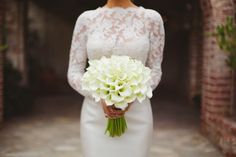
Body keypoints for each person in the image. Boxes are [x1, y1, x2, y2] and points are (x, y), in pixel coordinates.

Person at [67, 0, 165, 156]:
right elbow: (74, 72)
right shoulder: (86, 19)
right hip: (96, 114)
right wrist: (100, 96)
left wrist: (129, 96)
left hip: (137, 112)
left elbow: (155, 70)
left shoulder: (152, 19)